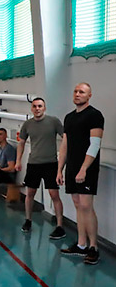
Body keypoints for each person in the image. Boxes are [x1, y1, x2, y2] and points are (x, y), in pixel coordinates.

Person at [57, 83, 104, 265]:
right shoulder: (69, 118)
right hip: (72, 167)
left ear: (89, 95)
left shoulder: (94, 115)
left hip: (87, 168)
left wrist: (84, 168)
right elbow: (65, 145)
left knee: (86, 205)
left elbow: (95, 144)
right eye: (75, 91)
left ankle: (93, 247)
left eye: (81, 92)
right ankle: (81, 244)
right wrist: (60, 169)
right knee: (77, 204)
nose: (77, 94)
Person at [15, 98, 65, 238]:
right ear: (32, 108)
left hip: (50, 164)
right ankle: (28, 220)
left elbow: (65, 138)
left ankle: (60, 225)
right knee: (30, 193)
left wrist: (63, 159)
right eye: (35, 106)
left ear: (44, 108)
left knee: (54, 195)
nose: (37, 108)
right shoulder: (27, 125)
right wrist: (18, 160)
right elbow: (21, 143)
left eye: (40, 106)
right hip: (34, 164)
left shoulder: (54, 122)